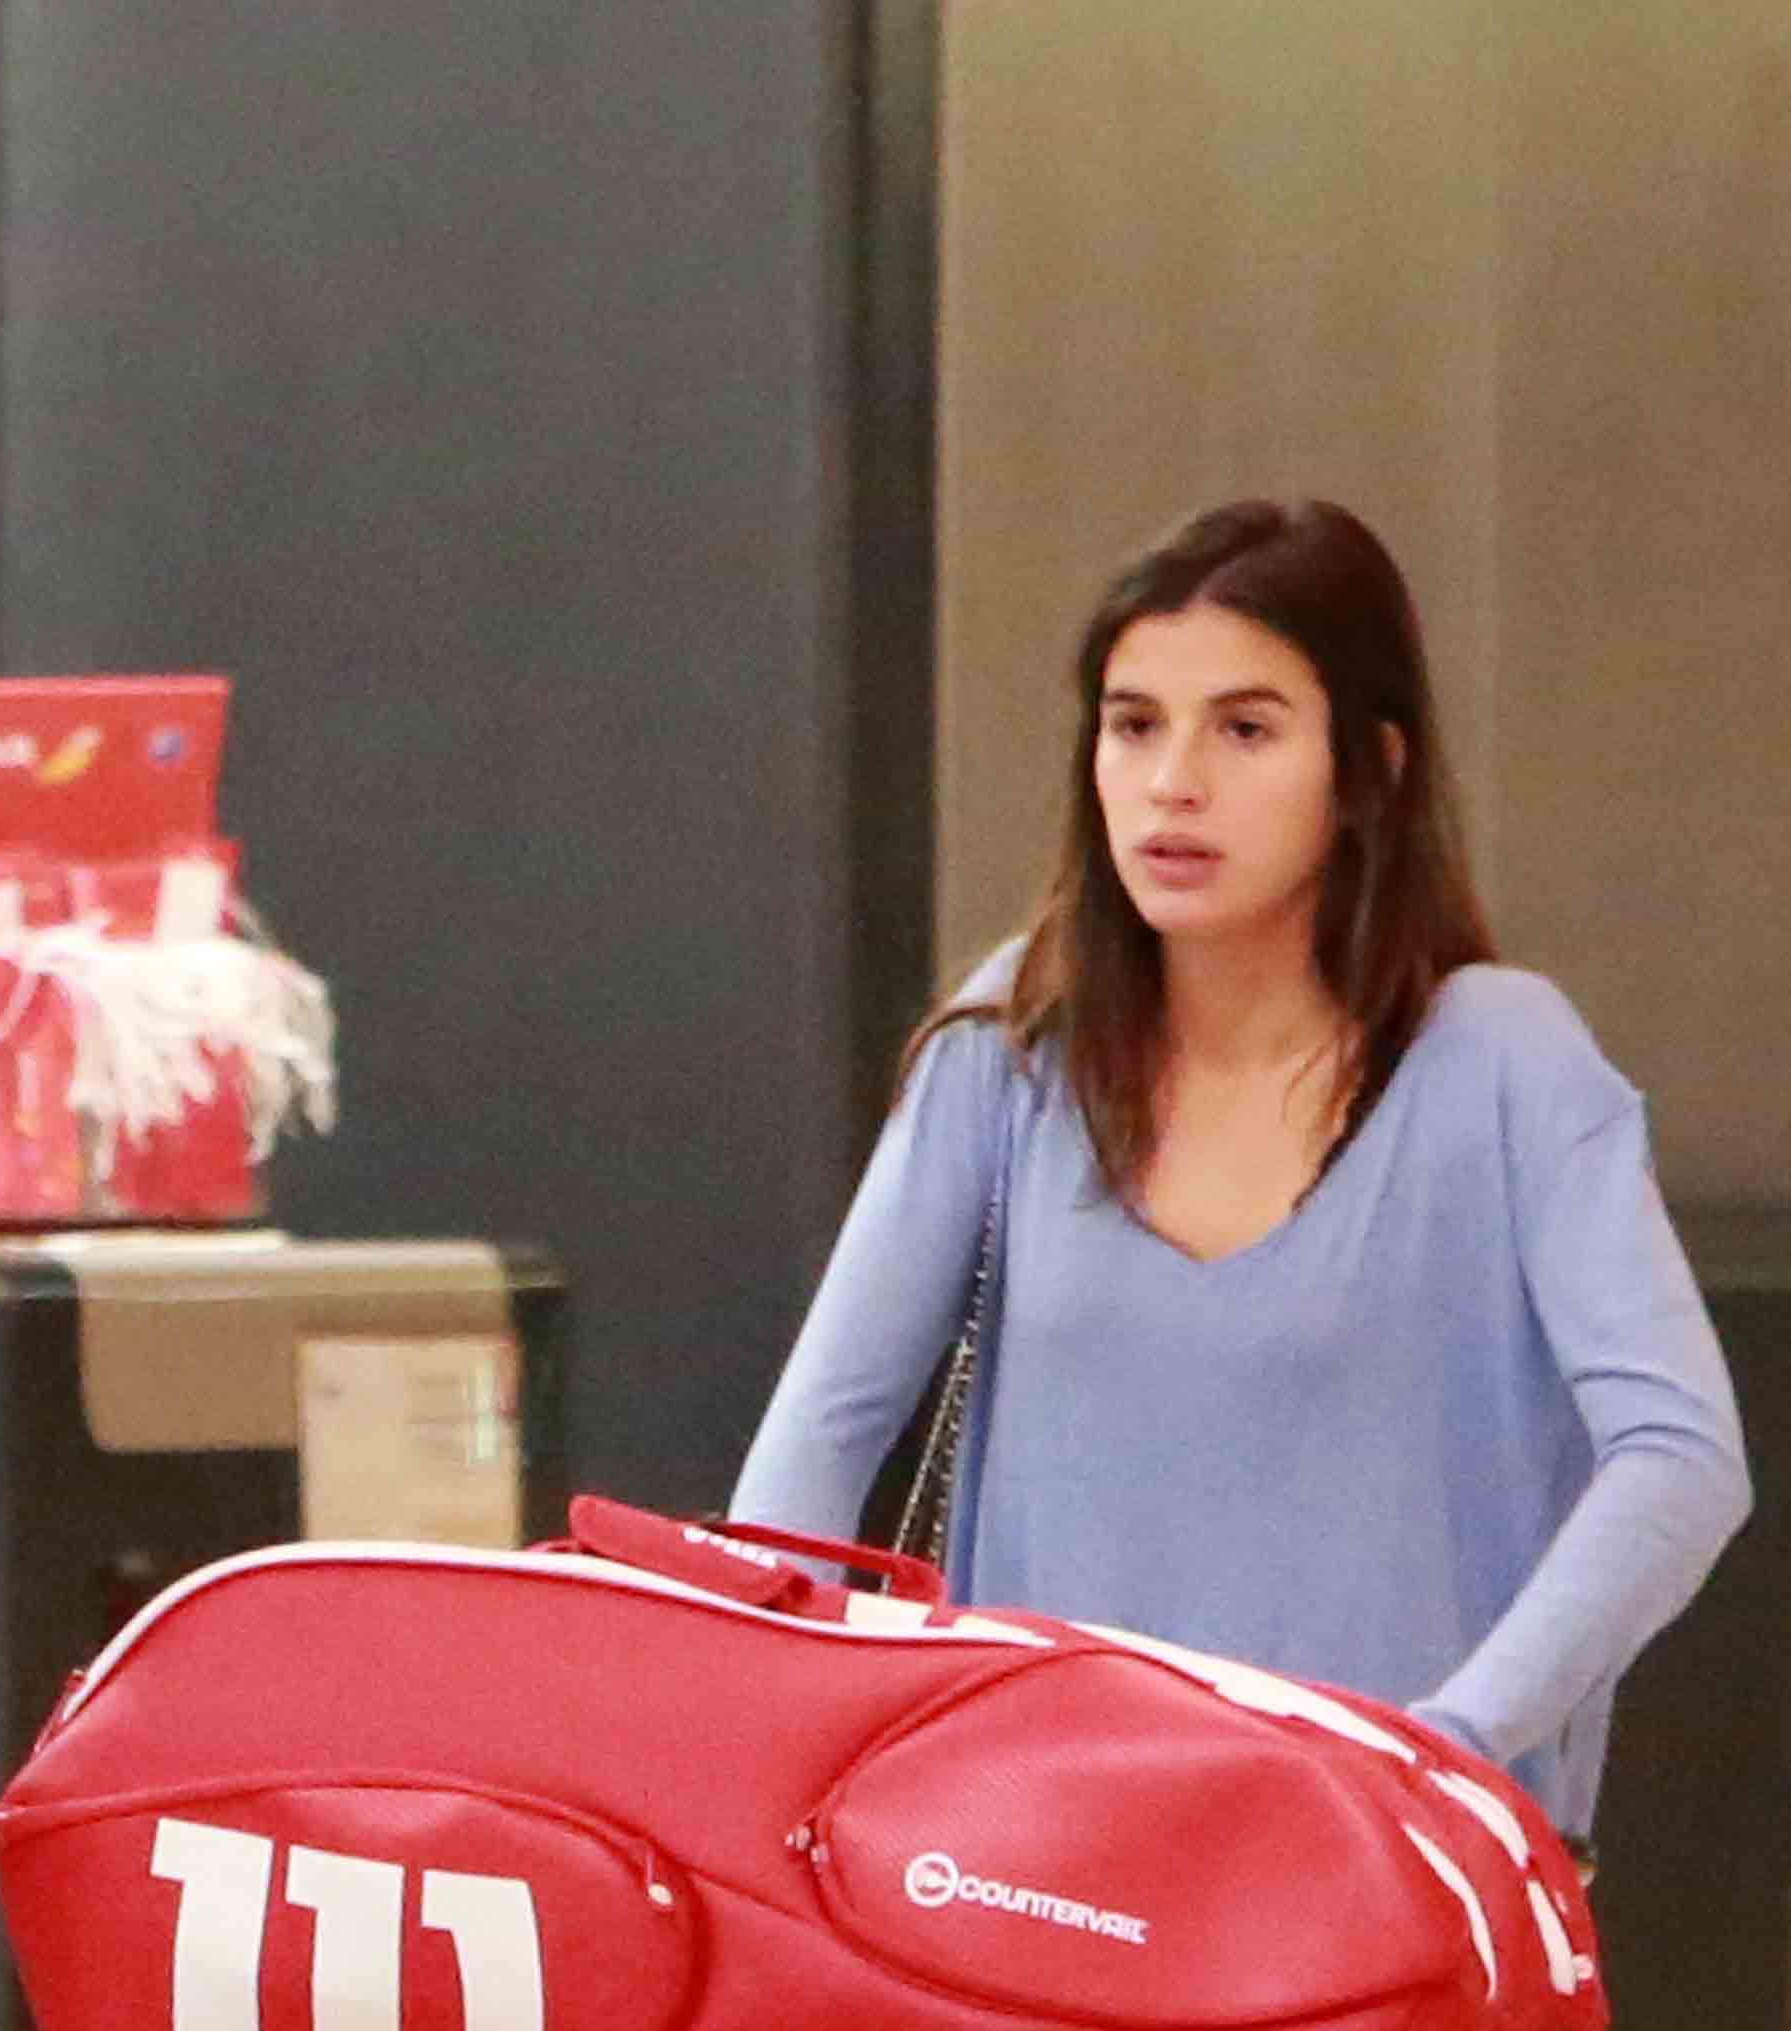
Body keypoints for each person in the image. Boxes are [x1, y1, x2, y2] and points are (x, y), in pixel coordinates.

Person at [731, 497, 1748, 1845]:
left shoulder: (1503, 1062)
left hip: (1384, 1880)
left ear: (1370, 770)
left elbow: (1684, 1458)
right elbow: (821, 1431)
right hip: (1042, 1869)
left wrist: (1450, 1742)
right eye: (1134, 721)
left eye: (1247, 727)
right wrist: (766, 1739)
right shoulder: (1013, 1047)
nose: (1173, 782)